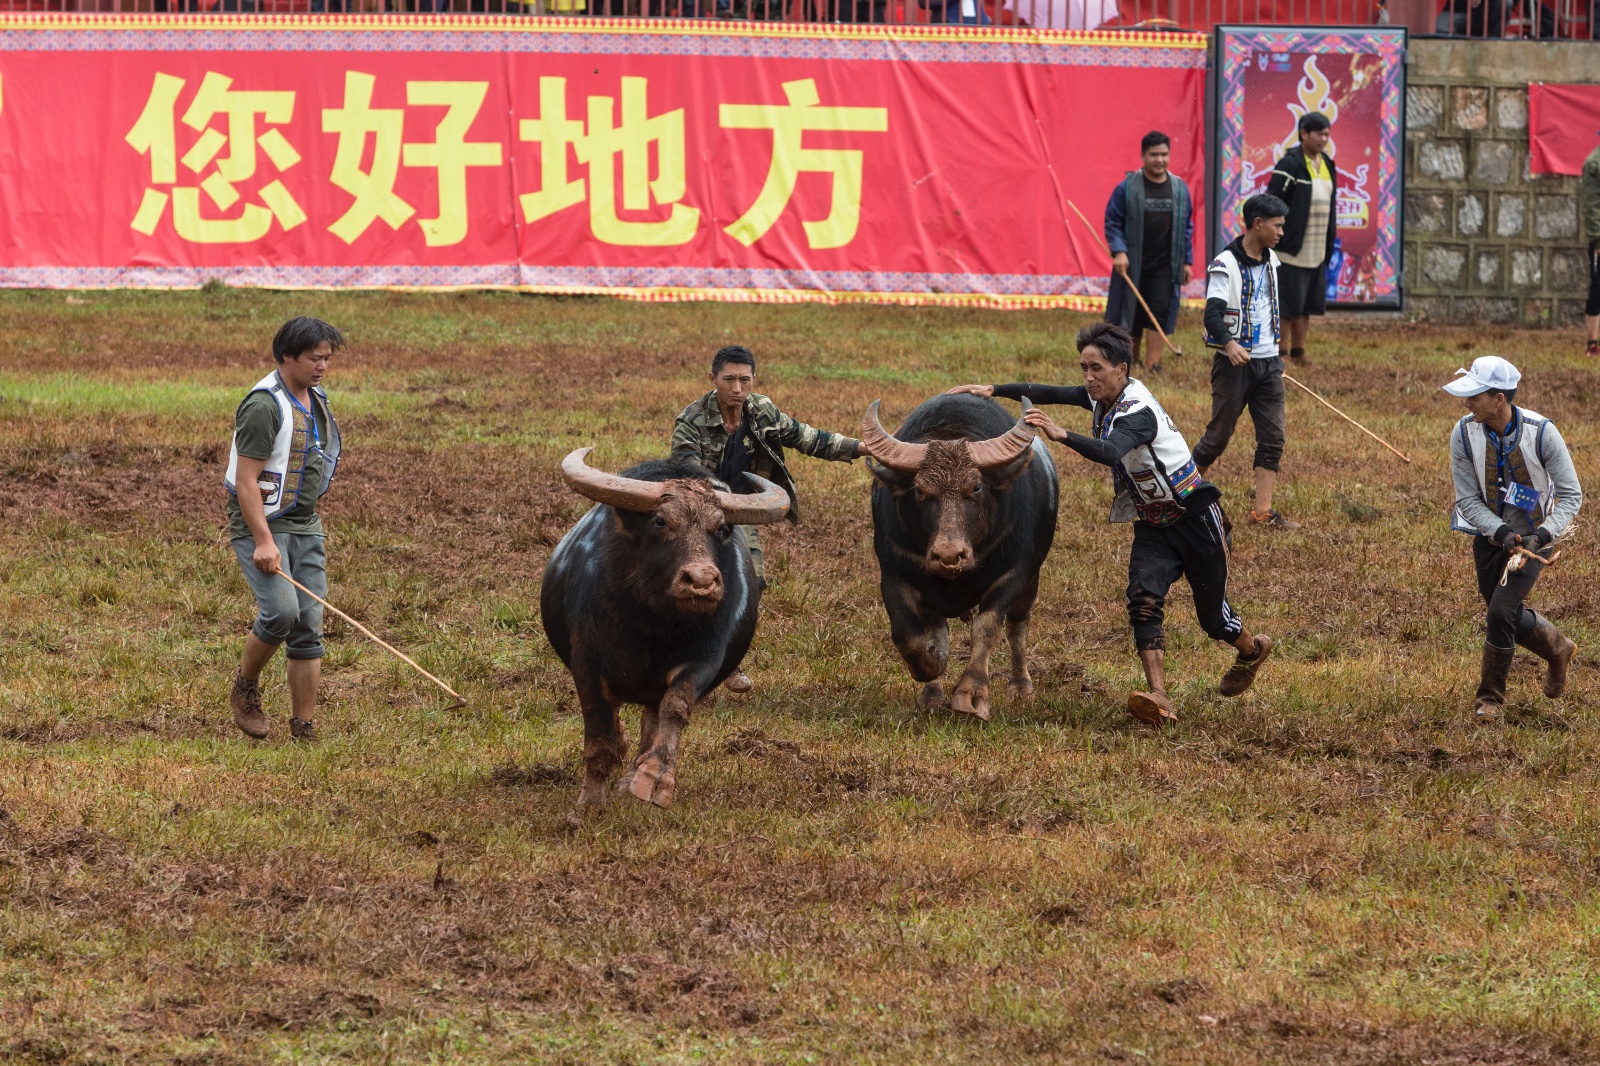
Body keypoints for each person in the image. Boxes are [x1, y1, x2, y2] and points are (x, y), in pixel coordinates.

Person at [947, 323, 1272, 726]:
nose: (1087, 377)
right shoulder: (1102, 396)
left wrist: (1060, 434)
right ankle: (1159, 695)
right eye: (1084, 367)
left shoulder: (1138, 412)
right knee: (1142, 600)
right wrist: (994, 390)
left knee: (1214, 620)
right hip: (1154, 524)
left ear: (1122, 368)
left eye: (1096, 368)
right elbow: (1052, 392)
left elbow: (1110, 452)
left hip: (1195, 518)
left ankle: (1251, 650)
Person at [671, 345, 869, 691]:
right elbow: (686, 473)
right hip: (699, 514)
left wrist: (861, 448)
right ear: (712, 379)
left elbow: (808, 438)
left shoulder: (761, 411)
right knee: (696, 584)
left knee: (752, 581)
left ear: (753, 380)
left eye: (744, 380)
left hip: (741, 509)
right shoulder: (691, 421)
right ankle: (688, 653)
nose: (736, 388)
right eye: (728, 379)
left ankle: (726, 660)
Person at [225, 317, 346, 742]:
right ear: (287, 356)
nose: (322, 366)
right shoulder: (263, 406)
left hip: (304, 522)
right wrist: (262, 541)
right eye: (314, 358)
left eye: (326, 358)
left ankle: (304, 727)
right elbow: (245, 480)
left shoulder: (317, 398)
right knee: (281, 611)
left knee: (308, 622)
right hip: (262, 521)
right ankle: (245, 687)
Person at [1444, 356, 1581, 721]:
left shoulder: (1543, 432)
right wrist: (1500, 532)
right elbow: (1467, 498)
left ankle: (1490, 699)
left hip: (1534, 540)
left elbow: (1571, 495)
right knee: (1499, 613)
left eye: (1474, 396)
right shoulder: (1462, 432)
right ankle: (1558, 648)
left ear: (1499, 398)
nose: (1466, 402)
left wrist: (1541, 536)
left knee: (1501, 612)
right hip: (1491, 536)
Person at [1193, 193, 1299, 530]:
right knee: (1218, 436)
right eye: (1277, 225)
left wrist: (1276, 356)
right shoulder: (1225, 263)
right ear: (1257, 224)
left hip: (1269, 363)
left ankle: (1262, 512)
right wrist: (1229, 343)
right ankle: (1180, 497)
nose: (1282, 232)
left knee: (1273, 438)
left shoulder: (1272, 261)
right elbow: (1211, 315)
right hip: (1233, 365)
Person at [1104, 130, 1194, 375]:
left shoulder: (1179, 189)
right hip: (1133, 263)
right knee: (1129, 313)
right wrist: (1119, 251)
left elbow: (1187, 226)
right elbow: (1113, 222)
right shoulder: (1127, 188)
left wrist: (1186, 260)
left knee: (1159, 312)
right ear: (1143, 156)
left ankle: (1153, 363)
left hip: (1166, 265)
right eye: (1154, 154)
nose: (1160, 159)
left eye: (1164, 154)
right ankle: (1129, 362)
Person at [1266, 112, 1338, 369]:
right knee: (1287, 305)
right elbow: (1272, 201)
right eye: (1319, 134)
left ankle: (1299, 350)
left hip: (1317, 249)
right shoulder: (1290, 164)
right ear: (1304, 134)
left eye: (1327, 134)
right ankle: (1280, 352)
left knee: (1306, 305)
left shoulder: (1328, 164)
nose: (1324, 139)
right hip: (1291, 250)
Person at [1582, 134, 1600, 357]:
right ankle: (1593, 344)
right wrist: (1597, 238)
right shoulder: (1594, 163)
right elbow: (1592, 205)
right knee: (1599, 287)